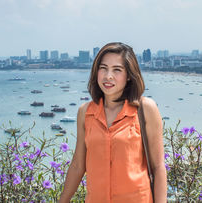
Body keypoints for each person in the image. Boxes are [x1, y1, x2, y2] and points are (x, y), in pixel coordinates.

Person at [58, 42, 167, 203]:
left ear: (129, 75)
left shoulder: (145, 109)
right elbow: (77, 166)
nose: (108, 76)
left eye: (117, 70)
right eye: (103, 68)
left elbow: (158, 168)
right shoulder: (85, 112)